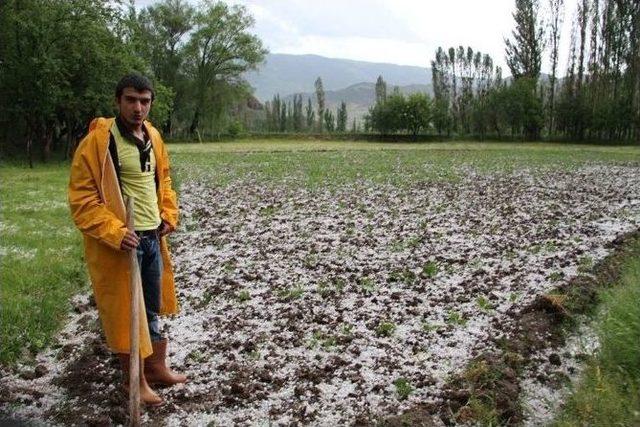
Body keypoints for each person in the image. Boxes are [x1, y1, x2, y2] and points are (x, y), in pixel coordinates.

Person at [68, 73, 187, 406]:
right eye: (131, 100)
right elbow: (82, 199)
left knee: (150, 309)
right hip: (122, 243)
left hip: (152, 237)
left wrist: (168, 215)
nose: (138, 108)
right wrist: (116, 232)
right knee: (126, 314)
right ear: (118, 101)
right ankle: (132, 382)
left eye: (145, 101)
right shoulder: (98, 143)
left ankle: (156, 369)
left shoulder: (153, 136)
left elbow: (163, 180)